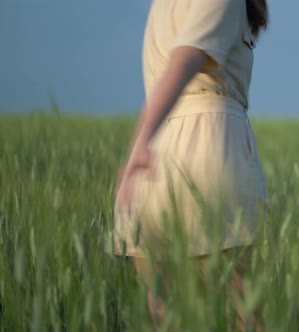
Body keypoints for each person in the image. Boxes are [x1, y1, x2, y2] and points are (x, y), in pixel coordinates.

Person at [105, 0, 268, 330]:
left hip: (153, 168)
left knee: (164, 318)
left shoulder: (161, 6)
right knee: (242, 315)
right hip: (210, 152)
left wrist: (140, 147)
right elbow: (189, 55)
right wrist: (139, 145)